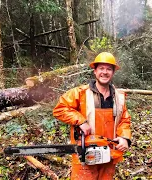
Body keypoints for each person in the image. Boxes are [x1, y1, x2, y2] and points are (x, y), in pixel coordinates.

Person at [53, 52, 131, 180]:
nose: (104, 72)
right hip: (86, 153)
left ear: (113, 72)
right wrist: (81, 121)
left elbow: (124, 120)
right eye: (101, 68)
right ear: (95, 71)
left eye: (108, 69)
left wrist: (124, 137)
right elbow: (60, 109)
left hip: (109, 154)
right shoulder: (80, 93)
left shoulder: (119, 97)